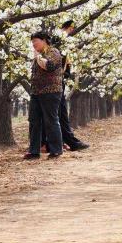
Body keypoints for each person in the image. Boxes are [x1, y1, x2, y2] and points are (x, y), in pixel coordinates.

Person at [24, 30, 64, 160]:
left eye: (35, 41)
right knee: (34, 121)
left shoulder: (53, 52)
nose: (33, 44)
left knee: (51, 120)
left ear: (44, 40)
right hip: (36, 92)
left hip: (51, 92)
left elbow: (49, 66)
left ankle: (56, 150)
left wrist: (38, 57)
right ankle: (34, 151)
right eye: (32, 42)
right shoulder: (39, 54)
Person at [55, 20, 89, 151]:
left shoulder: (61, 41)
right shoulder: (60, 40)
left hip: (59, 81)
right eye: (72, 29)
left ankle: (65, 141)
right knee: (60, 112)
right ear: (69, 28)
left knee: (61, 112)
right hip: (57, 81)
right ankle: (68, 141)